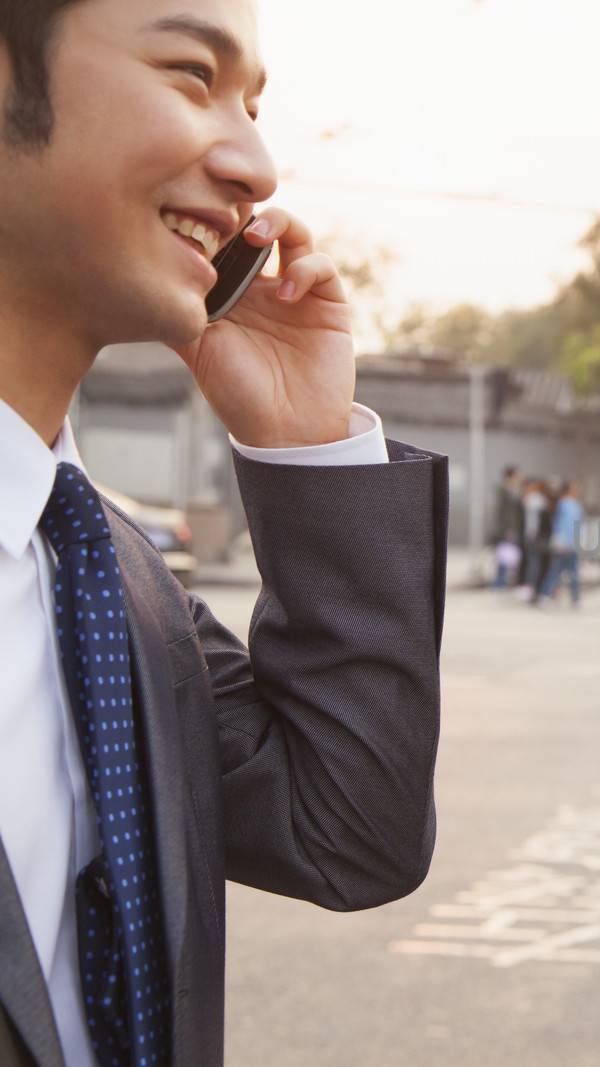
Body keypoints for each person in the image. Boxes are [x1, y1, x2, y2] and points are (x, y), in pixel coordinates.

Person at [0, 3, 447, 1065]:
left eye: (252, 104)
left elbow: (352, 832)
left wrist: (307, 443)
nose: (256, 164)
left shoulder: (107, 577)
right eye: (192, 75)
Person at [537, 480, 584, 608]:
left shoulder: (567, 505)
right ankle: (549, 596)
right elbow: (567, 526)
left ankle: (551, 596)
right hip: (566, 545)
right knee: (561, 572)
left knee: (561, 572)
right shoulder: (567, 505)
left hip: (567, 543)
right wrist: (566, 542)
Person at [491, 465, 524, 588]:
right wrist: (506, 529)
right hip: (508, 529)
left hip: (512, 528)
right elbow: (503, 513)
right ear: (510, 476)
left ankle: (502, 581)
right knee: (505, 555)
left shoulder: (512, 490)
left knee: (508, 556)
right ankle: (499, 582)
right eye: (517, 475)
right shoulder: (505, 490)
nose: (519, 478)